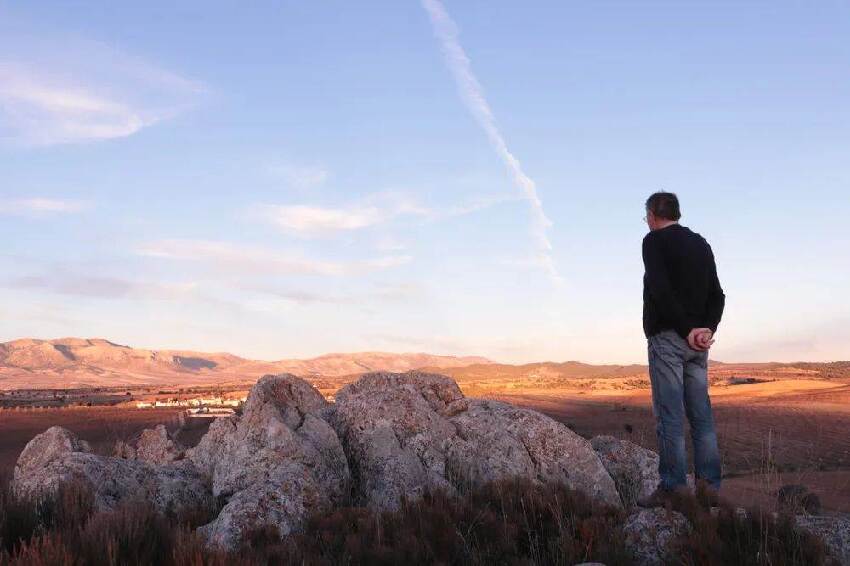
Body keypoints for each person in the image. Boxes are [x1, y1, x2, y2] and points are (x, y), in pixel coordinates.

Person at [638, 191, 725, 507]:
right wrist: (706, 330)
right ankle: (709, 491)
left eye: (646, 215)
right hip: (698, 344)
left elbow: (660, 290)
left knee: (670, 416)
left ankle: (673, 490)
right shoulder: (701, 243)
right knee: (702, 418)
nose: (646, 221)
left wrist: (687, 330)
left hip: (669, 340)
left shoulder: (653, 242)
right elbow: (718, 295)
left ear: (653, 215)